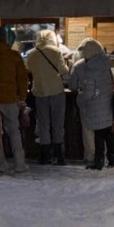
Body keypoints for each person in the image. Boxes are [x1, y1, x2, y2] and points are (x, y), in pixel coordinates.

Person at [68, 37, 114, 170]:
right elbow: (111, 82)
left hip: (92, 107)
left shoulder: (84, 68)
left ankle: (95, 160)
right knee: (107, 133)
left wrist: (79, 98)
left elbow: (79, 89)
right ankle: (112, 159)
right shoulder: (105, 65)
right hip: (106, 104)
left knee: (93, 135)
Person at [0, 26, 29, 174]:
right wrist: (22, 97)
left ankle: (1, 164)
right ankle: (20, 163)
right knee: (14, 130)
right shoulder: (13, 55)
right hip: (10, 97)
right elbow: (22, 79)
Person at [25, 29, 68, 165]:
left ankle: (45, 155)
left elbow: (29, 69)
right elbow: (63, 71)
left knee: (43, 123)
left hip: (40, 92)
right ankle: (59, 155)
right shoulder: (56, 51)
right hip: (56, 91)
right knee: (57, 123)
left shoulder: (31, 54)